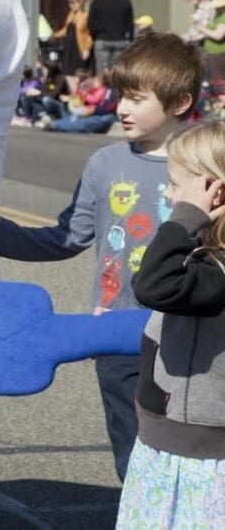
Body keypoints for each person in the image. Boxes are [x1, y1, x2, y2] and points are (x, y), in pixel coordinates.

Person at [0, 33, 204, 482]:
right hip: (116, 333)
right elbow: (66, 239)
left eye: (136, 98)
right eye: (119, 96)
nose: (122, 108)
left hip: (190, 334)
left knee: (192, 453)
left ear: (180, 102)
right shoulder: (106, 164)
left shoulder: (206, 162)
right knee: (130, 450)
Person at [117, 119, 225, 529]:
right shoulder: (200, 256)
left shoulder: (215, 271)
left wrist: (184, 219)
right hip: (167, 442)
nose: (167, 193)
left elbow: (153, 285)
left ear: (214, 192)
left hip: (202, 457)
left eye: (176, 185)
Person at [44, 68, 119, 133]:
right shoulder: (107, 88)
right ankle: (54, 124)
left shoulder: (114, 90)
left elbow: (110, 106)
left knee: (87, 123)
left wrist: (94, 109)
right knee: (74, 117)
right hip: (94, 111)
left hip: (106, 115)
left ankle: (56, 126)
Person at [88, 0, 134, 72]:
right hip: (120, 40)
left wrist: (94, 36)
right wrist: (130, 39)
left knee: (102, 71)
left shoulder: (97, 1)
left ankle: (103, 86)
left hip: (102, 39)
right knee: (117, 71)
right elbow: (130, 23)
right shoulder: (125, 1)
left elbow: (91, 23)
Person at [53, 0, 93, 75]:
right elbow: (66, 30)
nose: (73, 4)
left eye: (77, 1)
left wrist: (86, 49)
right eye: (71, 2)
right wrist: (54, 35)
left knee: (78, 72)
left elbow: (90, 34)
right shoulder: (71, 15)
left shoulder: (86, 16)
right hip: (69, 47)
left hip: (79, 47)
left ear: (82, 2)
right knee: (67, 72)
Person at [198, 0, 225, 88]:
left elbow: (218, 35)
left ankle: (221, 101)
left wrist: (203, 29)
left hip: (219, 54)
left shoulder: (223, 17)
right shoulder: (219, 15)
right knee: (213, 79)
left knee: (218, 81)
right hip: (213, 54)